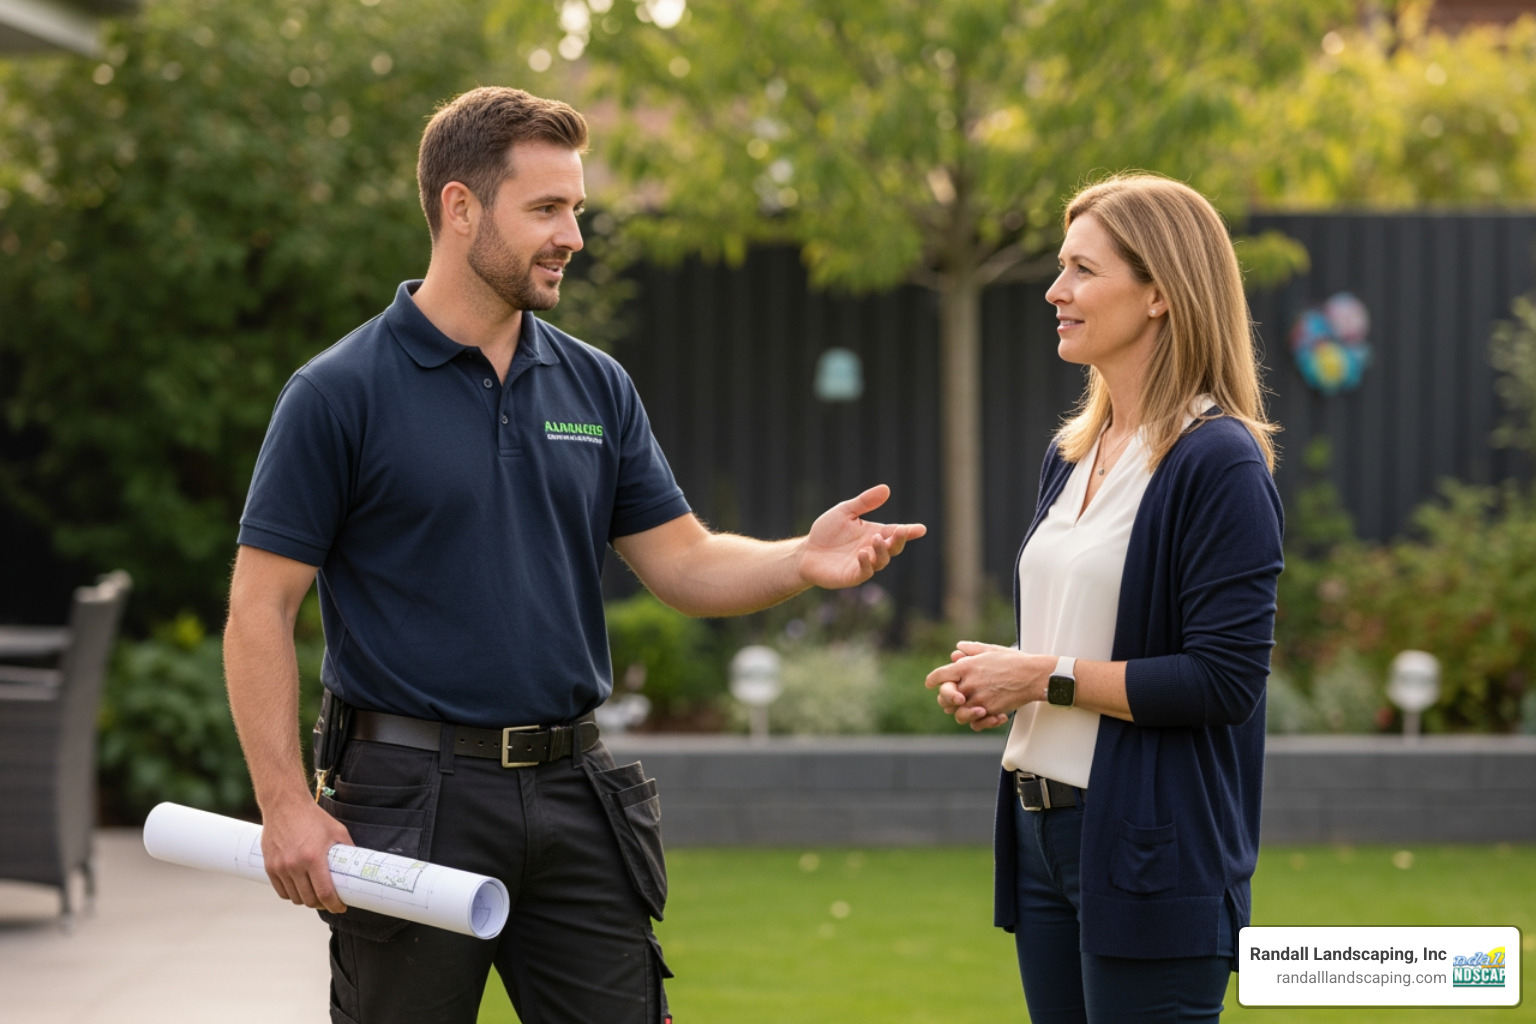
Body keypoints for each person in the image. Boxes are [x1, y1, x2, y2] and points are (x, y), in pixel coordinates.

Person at [223, 85, 925, 1024]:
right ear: (459, 207)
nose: (574, 237)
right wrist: (284, 806)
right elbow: (258, 609)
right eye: (547, 209)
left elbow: (684, 562)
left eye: (577, 210)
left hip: (576, 794)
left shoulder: (595, 385)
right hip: (409, 805)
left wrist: (802, 558)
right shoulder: (339, 393)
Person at [924, 173, 1283, 1023]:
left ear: (1160, 292)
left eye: (1082, 270)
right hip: (1039, 830)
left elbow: (1223, 683)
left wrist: (1041, 676)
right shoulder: (1072, 455)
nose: (1056, 291)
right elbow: (1068, 644)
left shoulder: (1217, 461)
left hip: (1147, 846)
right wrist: (997, 681)